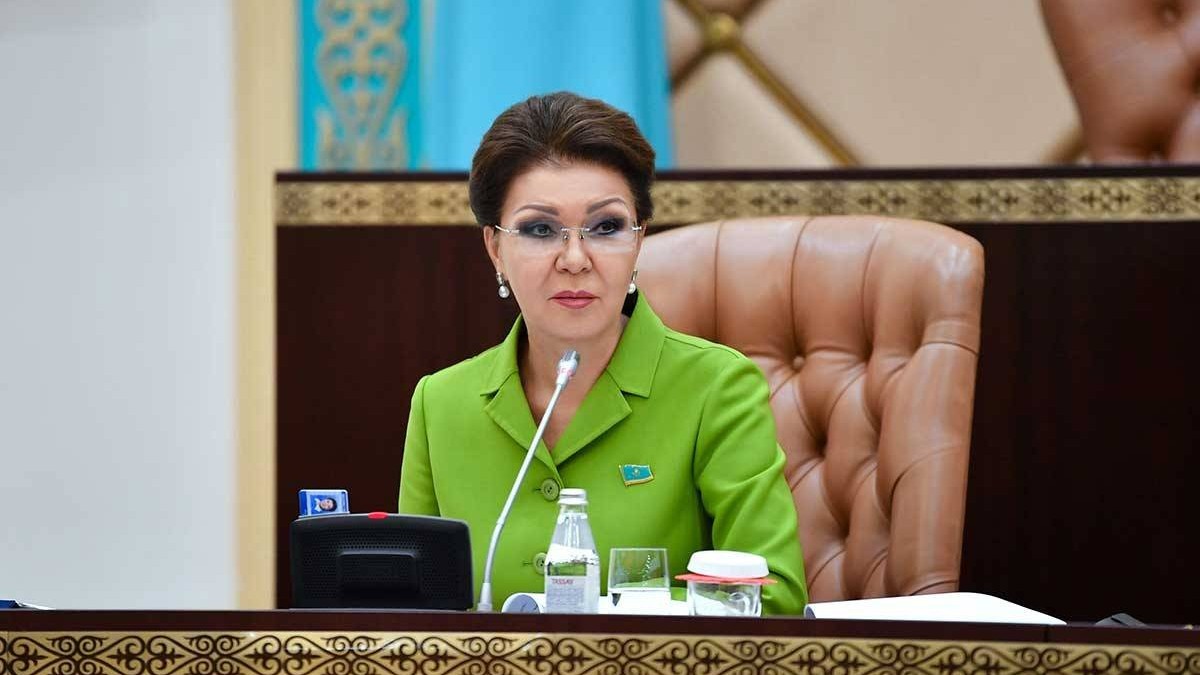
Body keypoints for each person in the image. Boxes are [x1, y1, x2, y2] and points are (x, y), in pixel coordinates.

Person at [398, 92, 808, 614]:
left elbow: (772, 598)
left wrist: (593, 619)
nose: (575, 259)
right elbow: (413, 611)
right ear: (495, 248)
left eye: (606, 227)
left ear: (639, 240)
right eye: (540, 229)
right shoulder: (440, 402)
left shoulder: (717, 388)